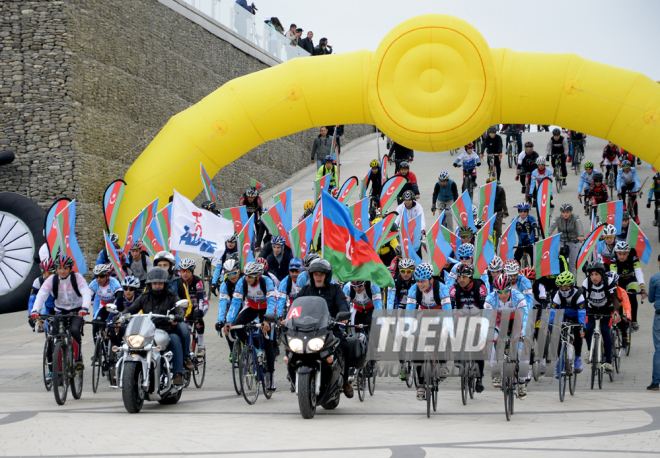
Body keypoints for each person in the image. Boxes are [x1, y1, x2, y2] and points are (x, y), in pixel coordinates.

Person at [121, 267, 187, 386]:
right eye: (154, 283)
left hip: (165, 330)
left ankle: (178, 373)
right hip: (147, 330)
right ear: (150, 284)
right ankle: (122, 371)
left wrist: (178, 315)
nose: (157, 286)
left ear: (165, 284)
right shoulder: (144, 296)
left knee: (175, 340)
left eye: (160, 283)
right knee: (128, 343)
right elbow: (132, 308)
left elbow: (179, 308)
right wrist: (122, 315)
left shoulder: (172, 296)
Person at [297, 259, 352, 396]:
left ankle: (345, 380)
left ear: (327, 275)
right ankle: (293, 370)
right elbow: (296, 306)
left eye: (321, 274)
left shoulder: (335, 289)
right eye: (315, 274)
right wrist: (287, 318)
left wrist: (343, 316)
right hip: (308, 329)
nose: (318, 276)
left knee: (345, 347)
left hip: (330, 328)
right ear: (311, 275)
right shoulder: (306, 290)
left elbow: (342, 304)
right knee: (291, 347)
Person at [30, 255, 92, 371]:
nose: (62, 271)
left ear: (70, 269)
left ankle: (78, 358)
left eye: (65, 268)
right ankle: (57, 370)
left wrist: (84, 308)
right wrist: (35, 310)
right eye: (59, 268)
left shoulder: (77, 278)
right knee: (54, 336)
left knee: (74, 330)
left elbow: (85, 292)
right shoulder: (52, 280)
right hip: (60, 311)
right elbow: (42, 294)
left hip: (77, 311)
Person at [224, 261, 278, 390]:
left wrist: (268, 321)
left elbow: (272, 302)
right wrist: (229, 320)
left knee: (267, 340)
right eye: (246, 275)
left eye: (251, 276)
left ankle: (270, 376)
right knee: (237, 326)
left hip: (266, 309)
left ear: (258, 276)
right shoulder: (242, 281)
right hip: (252, 307)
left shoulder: (266, 281)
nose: (247, 279)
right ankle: (253, 347)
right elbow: (236, 302)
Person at [406, 263, 451, 400]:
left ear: (431, 279)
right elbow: (409, 312)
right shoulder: (413, 290)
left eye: (423, 281)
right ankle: (420, 384)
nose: (420, 284)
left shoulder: (441, 288)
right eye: (417, 280)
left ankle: (442, 363)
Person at [484, 273, 528, 399]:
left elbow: (524, 317)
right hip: (499, 323)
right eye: (499, 292)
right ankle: (496, 372)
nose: (503, 295)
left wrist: (523, 333)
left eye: (505, 291)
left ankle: (522, 382)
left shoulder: (518, 297)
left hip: (516, 322)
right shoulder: (490, 299)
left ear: (510, 289)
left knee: (521, 349)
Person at [449, 263, 489, 393]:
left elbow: (485, 310)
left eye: (464, 277)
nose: (461, 279)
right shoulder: (454, 290)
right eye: (459, 276)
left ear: (470, 277)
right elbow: (451, 310)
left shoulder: (480, 287)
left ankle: (479, 379)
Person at [582, 262, 621, 374]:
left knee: (605, 330)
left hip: (606, 310)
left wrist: (616, 312)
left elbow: (614, 298)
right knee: (588, 329)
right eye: (592, 274)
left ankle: (608, 361)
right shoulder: (586, 282)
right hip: (591, 309)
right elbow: (582, 299)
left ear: (602, 274)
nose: (594, 277)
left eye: (596, 274)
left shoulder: (609, 282)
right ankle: (590, 350)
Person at [549, 271, 586, 376]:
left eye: (566, 287)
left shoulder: (579, 295)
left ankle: (578, 359)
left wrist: (582, 327)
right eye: (561, 288)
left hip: (576, 315)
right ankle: (559, 362)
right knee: (557, 336)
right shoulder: (557, 295)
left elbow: (582, 313)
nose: (563, 290)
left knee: (578, 333)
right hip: (563, 314)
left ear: (572, 285)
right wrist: (550, 325)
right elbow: (553, 311)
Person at [609, 241, 647, 331]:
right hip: (620, 281)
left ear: (628, 253)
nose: (622, 256)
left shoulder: (634, 258)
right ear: (616, 253)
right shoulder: (613, 259)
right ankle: (620, 318)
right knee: (619, 299)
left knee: (632, 296)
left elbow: (638, 272)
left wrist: (642, 286)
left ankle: (634, 320)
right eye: (620, 254)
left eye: (624, 254)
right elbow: (613, 273)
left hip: (631, 280)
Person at [178, 258, 209, 357]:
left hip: (200, 304)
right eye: (183, 271)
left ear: (192, 271)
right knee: (185, 327)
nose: (185, 274)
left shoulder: (197, 281)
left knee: (197, 317)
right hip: (187, 306)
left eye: (187, 271)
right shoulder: (178, 281)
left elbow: (200, 299)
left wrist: (199, 314)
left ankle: (200, 345)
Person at [548, 204, 585, 275]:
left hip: (573, 241)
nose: (565, 214)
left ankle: (573, 283)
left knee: (572, 265)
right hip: (561, 240)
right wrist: (548, 234)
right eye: (563, 212)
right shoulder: (558, 218)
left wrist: (581, 236)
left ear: (571, 212)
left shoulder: (575, 218)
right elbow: (552, 227)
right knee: (554, 258)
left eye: (567, 212)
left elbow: (579, 226)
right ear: (561, 212)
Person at [215, 259, 242, 357]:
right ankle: (232, 349)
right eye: (229, 274)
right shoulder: (225, 284)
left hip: (246, 304)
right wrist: (220, 320)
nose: (233, 276)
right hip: (233, 306)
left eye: (234, 273)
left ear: (239, 270)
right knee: (227, 325)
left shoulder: (245, 280)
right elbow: (222, 302)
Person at [89, 263, 123, 338]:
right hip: (103, 306)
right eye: (96, 276)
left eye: (101, 276)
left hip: (114, 306)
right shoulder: (94, 283)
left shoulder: (114, 282)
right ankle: (98, 348)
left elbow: (120, 297)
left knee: (112, 327)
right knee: (95, 324)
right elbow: (87, 297)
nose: (98, 279)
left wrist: (120, 313)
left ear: (107, 276)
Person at [28, 258, 56, 333]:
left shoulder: (60, 279)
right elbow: (32, 299)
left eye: (49, 272)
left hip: (61, 308)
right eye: (44, 272)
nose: (46, 275)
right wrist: (31, 314)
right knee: (47, 329)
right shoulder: (38, 281)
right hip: (49, 308)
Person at [394, 191, 426, 257]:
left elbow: (421, 218)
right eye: (406, 200)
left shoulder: (418, 207)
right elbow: (396, 219)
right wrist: (395, 228)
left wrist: (422, 229)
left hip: (415, 233)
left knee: (417, 253)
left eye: (409, 200)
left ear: (412, 200)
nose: (407, 202)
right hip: (404, 232)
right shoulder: (400, 207)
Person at [646, 254, 660, 390]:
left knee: (659, 350)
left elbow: (650, 299)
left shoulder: (655, 278)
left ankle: (656, 382)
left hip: (659, 316)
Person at [485, 177, 509, 246]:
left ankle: (499, 246)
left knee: (498, 231)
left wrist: (505, 211)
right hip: (488, 212)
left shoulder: (500, 190)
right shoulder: (485, 190)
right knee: (487, 230)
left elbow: (503, 201)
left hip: (498, 211)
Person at [617, 160, 641, 224]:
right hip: (624, 183)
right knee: (623, 189)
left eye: (628, 168)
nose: (626, 170)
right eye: (624, 168)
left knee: (634, 200)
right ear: (622, 168)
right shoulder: (620, 171)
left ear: (630, 167)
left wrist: (639, 188)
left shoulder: (633, 170)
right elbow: (618, 181)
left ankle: (636, 216)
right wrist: (618, 190)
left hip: (632, 184)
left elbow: (636, 179)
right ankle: (624, 203)